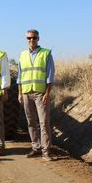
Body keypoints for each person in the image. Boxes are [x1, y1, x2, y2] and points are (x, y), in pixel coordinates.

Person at [18, 29, 55, 161]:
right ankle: (36, 147)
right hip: (26, 92)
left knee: (44, 122)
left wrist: (47, 93)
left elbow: (50, 76)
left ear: (38, 38)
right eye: (29, 38)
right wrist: (20, 93)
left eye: (34, 38)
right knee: (31, 122)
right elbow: (20, 76)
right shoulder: (22, 55)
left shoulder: (46, 53)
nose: (31, 40)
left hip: (40, 93)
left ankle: (46, 151)